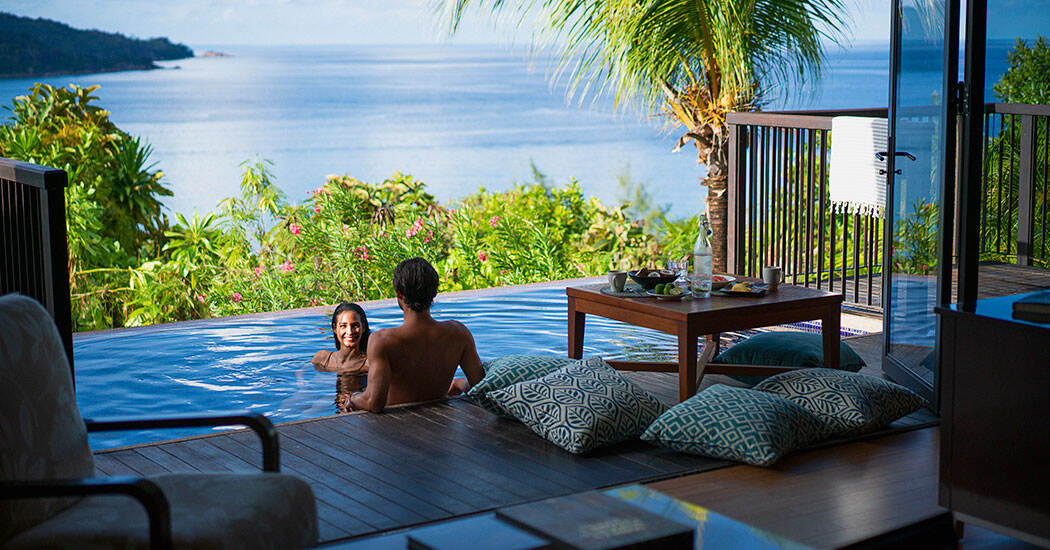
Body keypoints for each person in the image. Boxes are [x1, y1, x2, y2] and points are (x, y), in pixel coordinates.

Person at [348, 257, 484, 413]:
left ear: (399, 294)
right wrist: (460, 384)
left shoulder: (382, 341)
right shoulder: (459, 333)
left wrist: (353, 398)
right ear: (434, 293)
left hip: (396, 424)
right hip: (441, 421)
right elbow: (480, 386)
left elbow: (374, 403)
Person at [312, 302, 370, 413]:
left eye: (355, 326)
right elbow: (303, 371)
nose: (350, 332)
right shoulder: (322, 358)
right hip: (331, 400)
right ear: (335, 328)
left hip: (356, 406)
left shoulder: (369, 363)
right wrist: (301, 385)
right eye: (343, 326)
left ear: (363, 327)